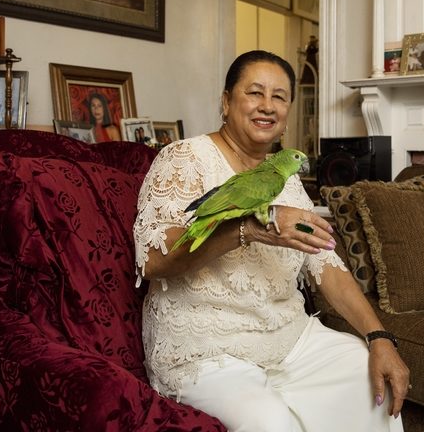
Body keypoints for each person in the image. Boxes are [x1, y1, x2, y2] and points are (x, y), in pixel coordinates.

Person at [134, 50, 409, 431]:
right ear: (226, 102)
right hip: (207, 349)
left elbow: (326, 264)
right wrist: (250, 229)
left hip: (289, 340)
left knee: (365, 374)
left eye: (279, 97)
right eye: (255, 93)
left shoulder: (287, 180)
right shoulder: (185, 158)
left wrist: (379, 336)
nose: (267, 106)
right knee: (271, 423)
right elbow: (153, 261)